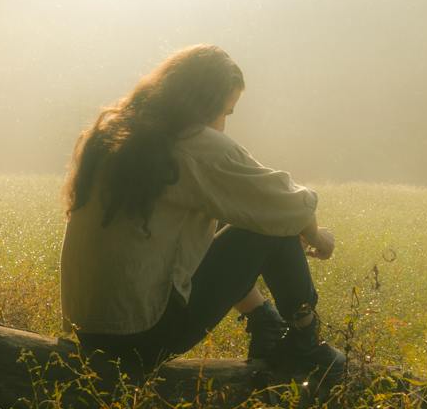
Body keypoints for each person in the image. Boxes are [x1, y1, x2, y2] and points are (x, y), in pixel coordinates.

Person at [59, 44, 345, 381]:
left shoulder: (117, 132)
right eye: (225, 111)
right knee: (270, 226)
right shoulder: (193, 143)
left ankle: (264, 321)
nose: (223, 125)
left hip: (90, 330)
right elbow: (287, 204)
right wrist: (316, 235)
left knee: (239, 210)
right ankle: (305, 344)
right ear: (202, 105)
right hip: (141, 335)